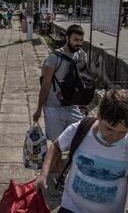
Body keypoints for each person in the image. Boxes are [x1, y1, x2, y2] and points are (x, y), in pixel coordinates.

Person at [34, 89, 128, 213]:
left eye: (122, 132)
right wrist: (43, 174)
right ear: (99, 116)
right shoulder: (80, 129)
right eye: (110, 128)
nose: (114, 136)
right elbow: (56, 146)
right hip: (72, 210)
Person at [33, 24, 88, 177]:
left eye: (81, 40)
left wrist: (83, 105)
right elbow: (45, 85)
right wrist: (39, 109)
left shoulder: (82, 55)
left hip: (72, 105)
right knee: (57, 142)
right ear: (67, 38)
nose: (78, 43)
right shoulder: (54, 58)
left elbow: (83, 81)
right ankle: (58, 175)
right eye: (76, 39)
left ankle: (69, 166)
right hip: (52, 106)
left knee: (82, 135)